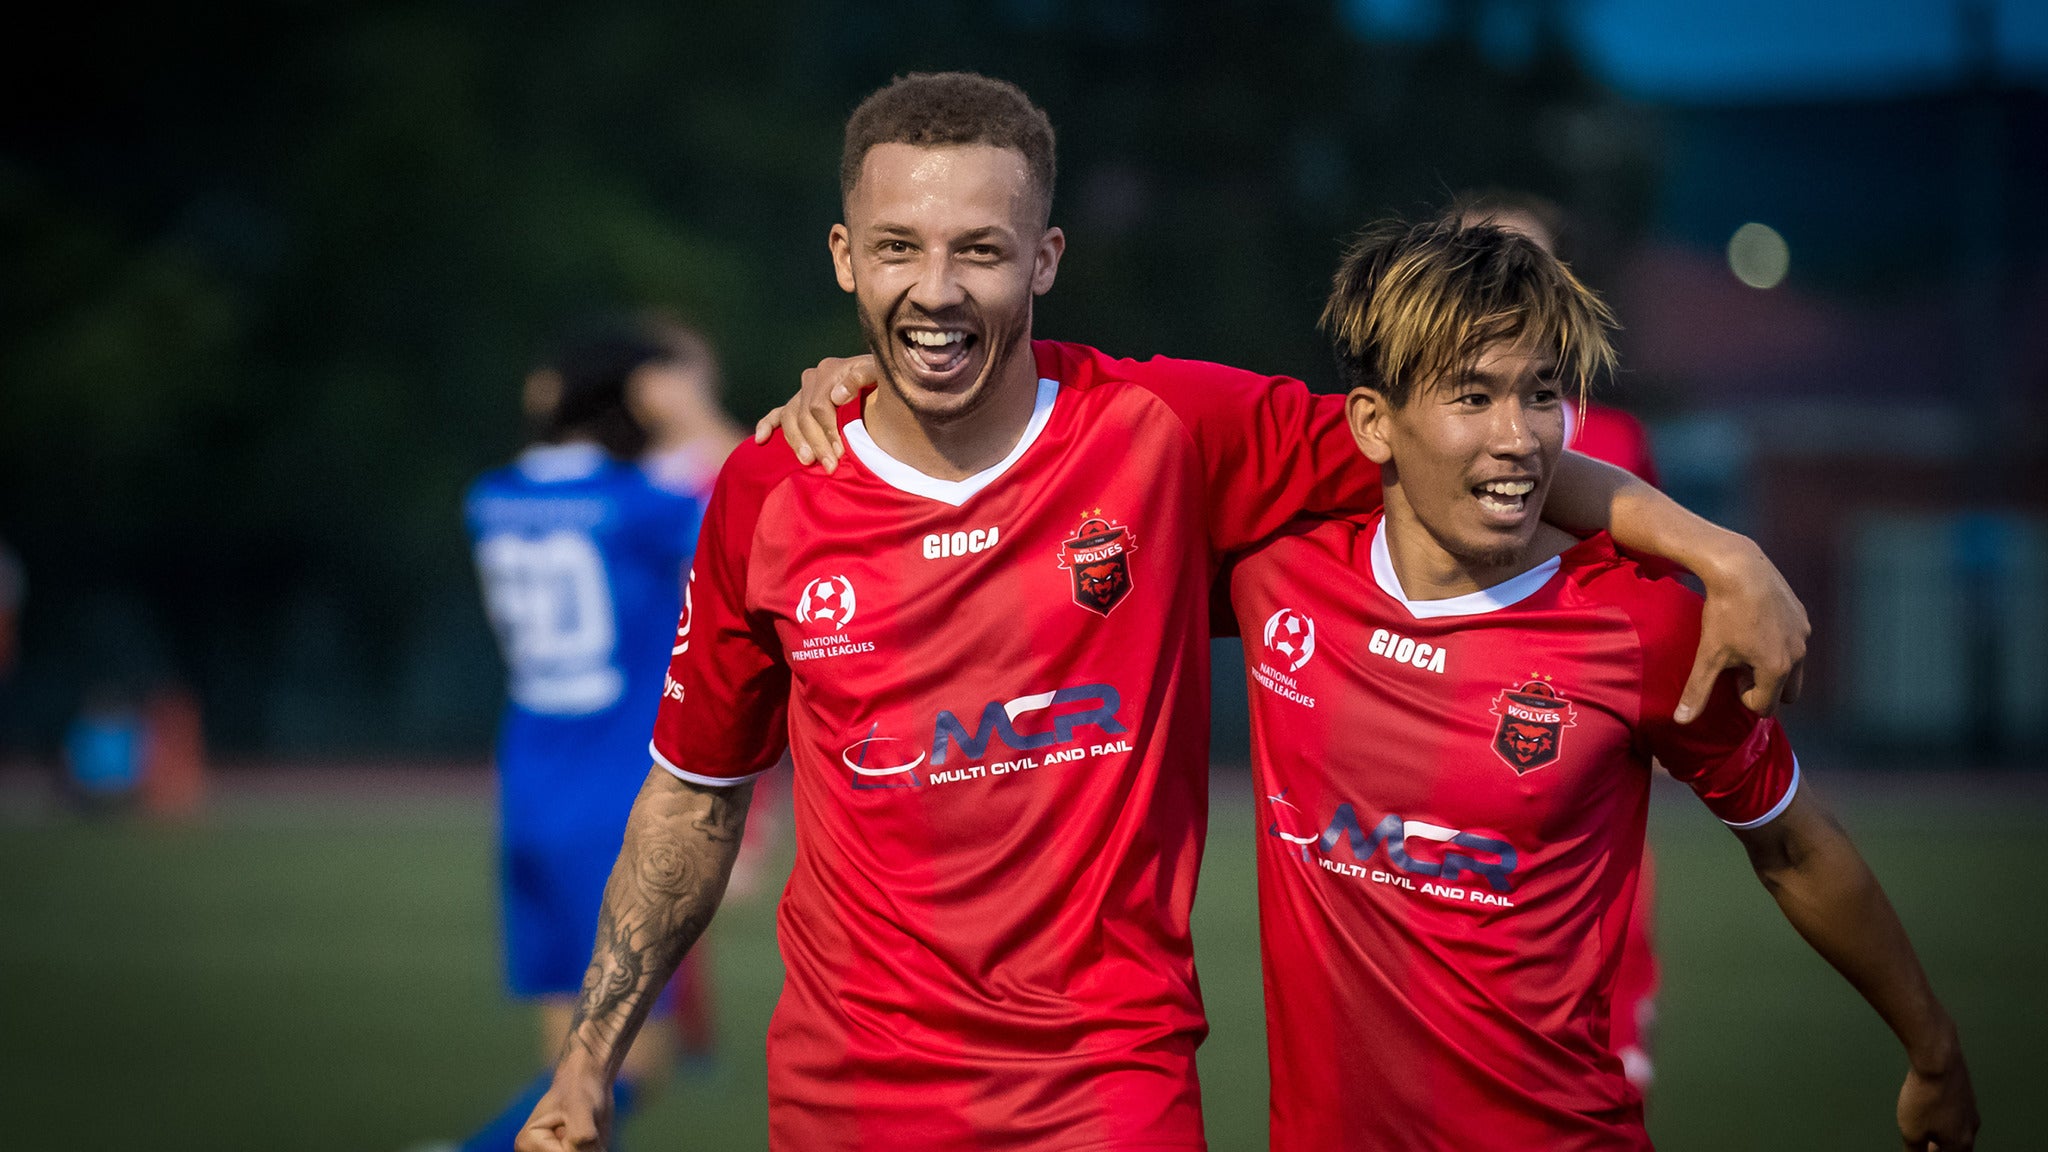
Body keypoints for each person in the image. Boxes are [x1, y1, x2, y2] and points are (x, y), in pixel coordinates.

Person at [519, 73, 1809, 1152]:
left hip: (1107, 1091)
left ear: (1045, 257)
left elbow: (1455, 444)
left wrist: (1717, 552)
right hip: (844, 1099)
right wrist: (587, 1060)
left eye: (980, 248)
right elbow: (694, 795)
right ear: (846, 257)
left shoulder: (1164, 431)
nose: (938, 289)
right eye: (901, 249)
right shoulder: (770, 490)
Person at [1225, 214, 1977, 1150]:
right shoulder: (1274, 577)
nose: (1519, 438)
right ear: (1374, 423)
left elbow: (1792, 846)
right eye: (1473, 396)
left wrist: (1934, 1049)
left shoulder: (1643, 630)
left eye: (1542, 394)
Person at [459, 322, 711, 1151]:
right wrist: (693, 413)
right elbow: (766, 495)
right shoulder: (639, 508)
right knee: (628, 1068)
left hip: (528, 789)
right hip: (615, 803)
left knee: (565, 1053)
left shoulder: (491, 498)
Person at [1457, 188, 1664, 1090]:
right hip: (1445, 710)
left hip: (1564, 721)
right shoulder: (1408, 431)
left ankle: (1617, 1037)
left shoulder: (1615, 437)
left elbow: (1654, 582)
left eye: (1527, 265)